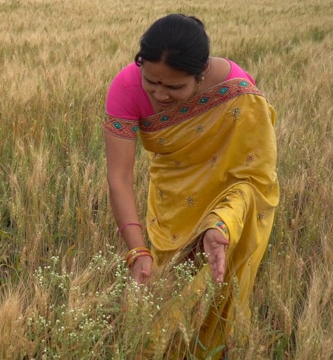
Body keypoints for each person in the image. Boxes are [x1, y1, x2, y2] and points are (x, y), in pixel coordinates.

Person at [103, 14, 279, 358]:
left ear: (201, 75)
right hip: (172, 204)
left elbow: (253, 178)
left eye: (174, 87)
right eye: (151, 81)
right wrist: (138, 252)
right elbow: (119, 178)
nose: (159, 94)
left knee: (220, 294)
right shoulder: (125, 89)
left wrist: (221, 223)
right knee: (168, 299)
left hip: (229, 207)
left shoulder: (238, 93)